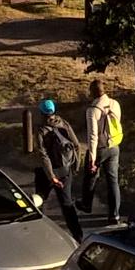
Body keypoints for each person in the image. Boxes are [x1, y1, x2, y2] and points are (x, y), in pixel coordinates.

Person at [33, 99, 85, 236]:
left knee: (39, 201)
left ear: (41, 113)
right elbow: (77, 145)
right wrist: (75, 166)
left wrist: (51, 176)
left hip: (47, 172)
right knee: (67, 204)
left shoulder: (41, 130)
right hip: (65, 170)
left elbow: (43, 155)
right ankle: (78, 235)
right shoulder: (63, 123)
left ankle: (39, 233)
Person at [81, 77, 126, 224]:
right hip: (114, 146)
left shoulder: (92, 110)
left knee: (90, 175)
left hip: (100, 148)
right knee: (113, 181)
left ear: (92, 92)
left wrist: (92, 158)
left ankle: (86, 204)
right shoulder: (115, 104)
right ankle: (114, 215)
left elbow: (93, 135)